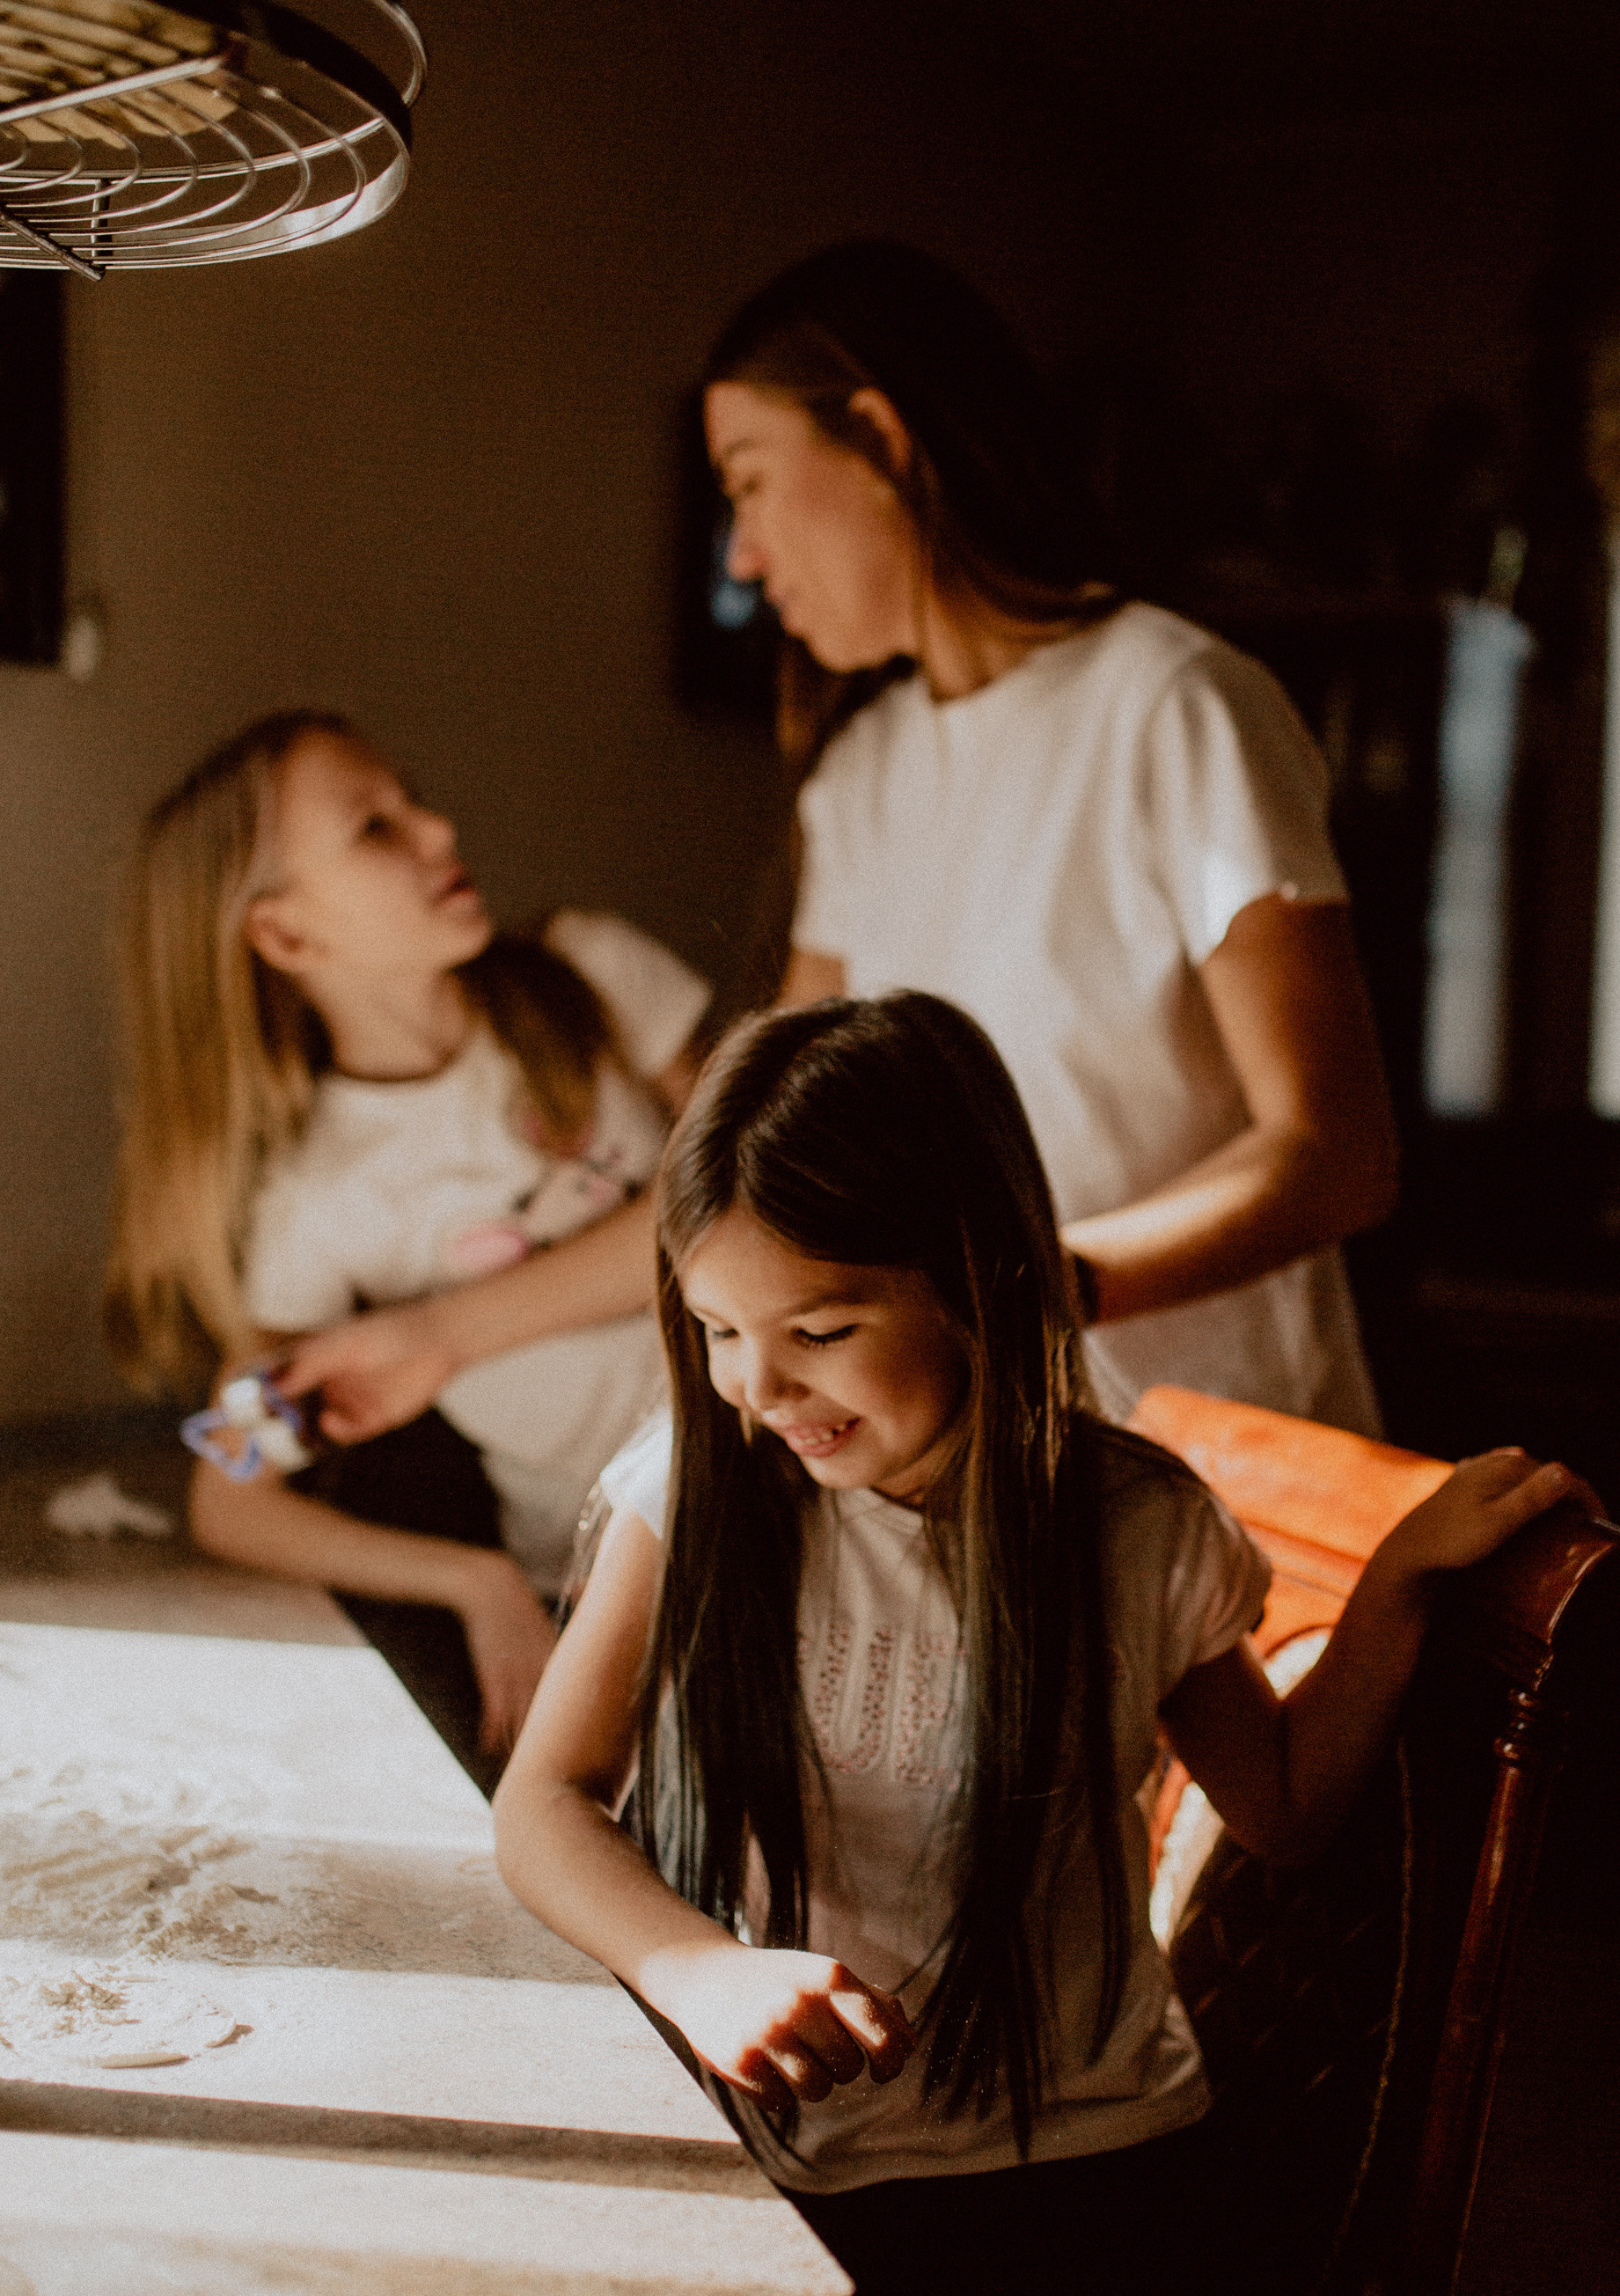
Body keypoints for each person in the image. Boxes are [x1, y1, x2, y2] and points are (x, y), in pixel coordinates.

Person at [492, 993, 1578, 2296]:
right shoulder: (695, 1490)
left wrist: (1395, 1597)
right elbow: (542, 1807)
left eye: (822, 1329)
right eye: (717, 1330)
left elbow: (1283, 1811)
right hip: (787, 2182)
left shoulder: (1132, 1530)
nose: (756, 1387)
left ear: (982, 1275)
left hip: (1069, 2205)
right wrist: (697, 1968)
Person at [271, 241, 1398, 1456]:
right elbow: (770, 1175)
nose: (744, 557)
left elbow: (1333, 1155)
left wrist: (1037, 1290)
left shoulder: (1173, 701)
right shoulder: (863, 781)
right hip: (967, 1476)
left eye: (749, 483)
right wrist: (436, 1337)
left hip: (1215, 1466)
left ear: (878, 438)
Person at [105, 711, 710, 1761]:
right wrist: (475, 1584)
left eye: (411, 796)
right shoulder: (314, 1210)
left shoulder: (593, 971)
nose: (435, 828)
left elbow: (754, 1190)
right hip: (627, 1594)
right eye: (375, 829)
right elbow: (230, 1494)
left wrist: (439, 1330)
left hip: (802, 1493)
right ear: (286, 935)